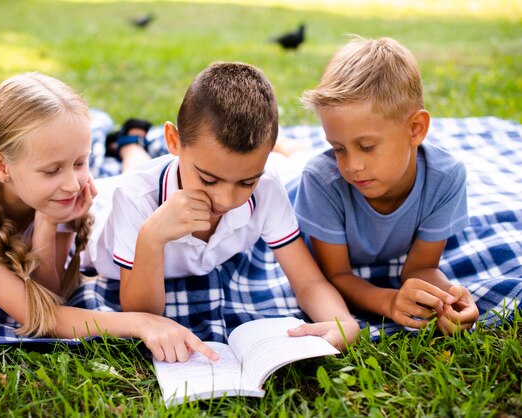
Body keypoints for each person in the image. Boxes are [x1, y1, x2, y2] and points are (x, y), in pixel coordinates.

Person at [0, 72, 218, 363]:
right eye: (52, 169)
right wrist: (141, 323)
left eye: (80, 162)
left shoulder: (59, 193)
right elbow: (42, 317)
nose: (73, 182)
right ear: (1, 167)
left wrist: (49, 222)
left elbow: (49, 292)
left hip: (2, 176)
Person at [82, 62, 360, 350]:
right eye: (208, 180)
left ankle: (135, 143)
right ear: (174, 141)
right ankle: (131, 144)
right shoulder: (135, 198)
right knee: (130, 175)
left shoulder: (267, 189)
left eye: (246, 182)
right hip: (103, 213)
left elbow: (308, 281)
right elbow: (143, 314)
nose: (227, 200)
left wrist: (342, 322)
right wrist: (151, 238)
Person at [293, 36, 479, 334]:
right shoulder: (321, 179)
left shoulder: (446, 178)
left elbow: (419, 269)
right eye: (338, 147)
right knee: (289, 164)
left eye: (366, 146)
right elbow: (337, 275)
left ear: (415, 129)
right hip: (297, 186)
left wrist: (447, 300)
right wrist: (389, 302)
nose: (352, 165)